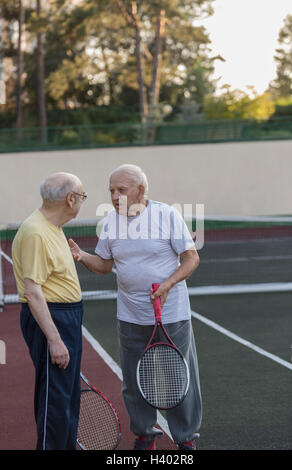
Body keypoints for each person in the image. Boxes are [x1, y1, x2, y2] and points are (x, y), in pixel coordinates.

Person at [68, 164, 202, 450]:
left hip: (172, 314)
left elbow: (191, 258)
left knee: (180, 378)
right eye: (111, 191)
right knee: (134, 381)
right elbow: (104, 265)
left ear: (140, 190)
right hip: (130, 316)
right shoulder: (110, 223)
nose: (115, 196)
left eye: (121, 190)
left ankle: (186, 438)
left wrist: (168, 284)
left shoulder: (167, 215)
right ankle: (144, 434)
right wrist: (82, 256)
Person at [12, 172, 87, 450]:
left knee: (67, 397)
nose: (82, 201)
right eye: (82, 196)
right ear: (70, 199)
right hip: (52, 319)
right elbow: (33, 291)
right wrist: (55, 339)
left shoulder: (53, 227)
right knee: (55, 399)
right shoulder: (36, 232)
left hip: (66, 316)